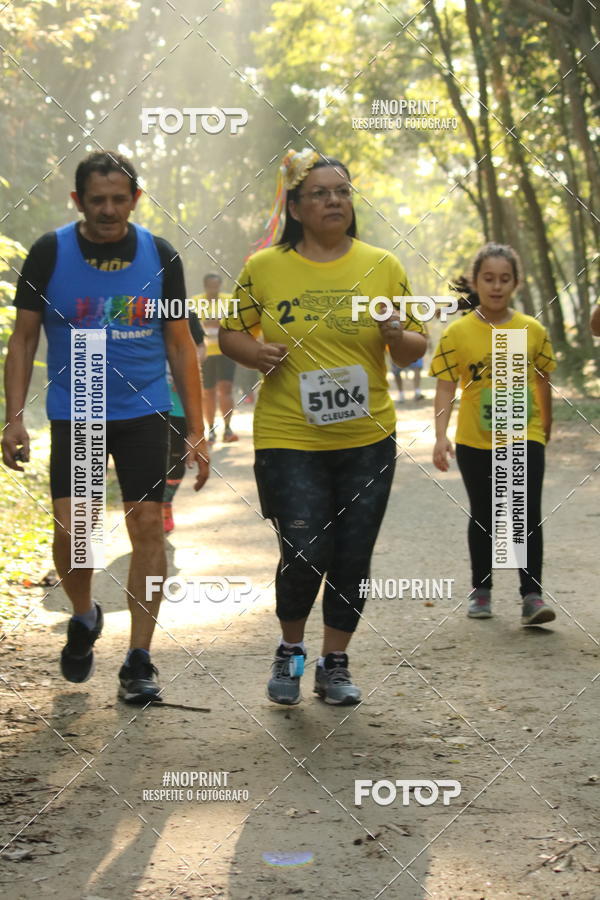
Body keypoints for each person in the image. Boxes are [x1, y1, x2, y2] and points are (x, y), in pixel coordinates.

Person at [219, 148, 427, 706]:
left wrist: (393, 335)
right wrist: (256, 351)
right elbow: (229, 335)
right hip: (291, 437)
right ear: (296, 205)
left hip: (367, 438)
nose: (334, 200)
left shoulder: (383, 265)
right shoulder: (264, 267)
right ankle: (291, 652)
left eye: (342, 190)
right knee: (306, 549)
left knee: (353, 555)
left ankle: (335, 662)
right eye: (321, 192)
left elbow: (413, 350)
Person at [2, 151, 209, 703]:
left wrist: (199, 427)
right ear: (78, 202)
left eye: (120, 199)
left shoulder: (159, 255)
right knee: (75, 535)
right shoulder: (51, 252)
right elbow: (23, 339)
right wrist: (14, 417)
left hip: (145, 409)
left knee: (146, 527)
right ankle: (86, 612)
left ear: (135, 199)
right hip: (81, 404)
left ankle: (139, 660)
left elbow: (181, 344)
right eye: (98, 200)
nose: (109, 210)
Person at [430, 242, 556, 626]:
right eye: (489, 279)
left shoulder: (531, 330)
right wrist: (440, 435)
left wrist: (546, 426)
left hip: (524, 435)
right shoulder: (458, 333)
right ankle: (481, 591)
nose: (496, 286)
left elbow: (543, 379)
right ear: (475, 282)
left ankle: (531, 596)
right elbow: (446, 387)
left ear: (516, 283)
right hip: (474, 440)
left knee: (524, 513)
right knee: (485, 514)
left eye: (504, 279)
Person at [162, 310, 206, 534]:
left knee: (176, 460)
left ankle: (166, 503)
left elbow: (200, 347)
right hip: (144, 401)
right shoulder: (135, 310)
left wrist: (186, 370)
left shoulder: (185, 313)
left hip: (178, 402)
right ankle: (150, 509)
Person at [200, 273, 239, 444]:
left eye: (216, 286)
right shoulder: (196, 301)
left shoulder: (230, 300)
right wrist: (207, 324)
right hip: (206, 353)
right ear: (205, 286)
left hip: (226, 351)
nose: (213, 289)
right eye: (210, 286)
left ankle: (228, 428)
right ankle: (211, 429)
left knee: (226, 388)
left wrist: (220, 322)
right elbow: (193, 324)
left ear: (220, 285)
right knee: (208, 392)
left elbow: (236, 321)